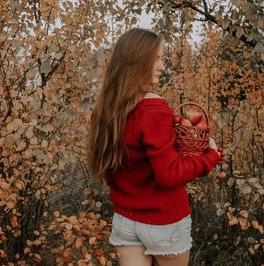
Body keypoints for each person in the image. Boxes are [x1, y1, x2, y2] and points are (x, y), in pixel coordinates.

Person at [88, 28, 225, 266]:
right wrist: (209, 157)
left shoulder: (105, 110)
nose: (162, 66)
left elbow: (111, 168)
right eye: (158, 58)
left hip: (125, 220)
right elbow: (169, 174)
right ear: (139, 60)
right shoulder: (154, 110)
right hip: (164, 222)